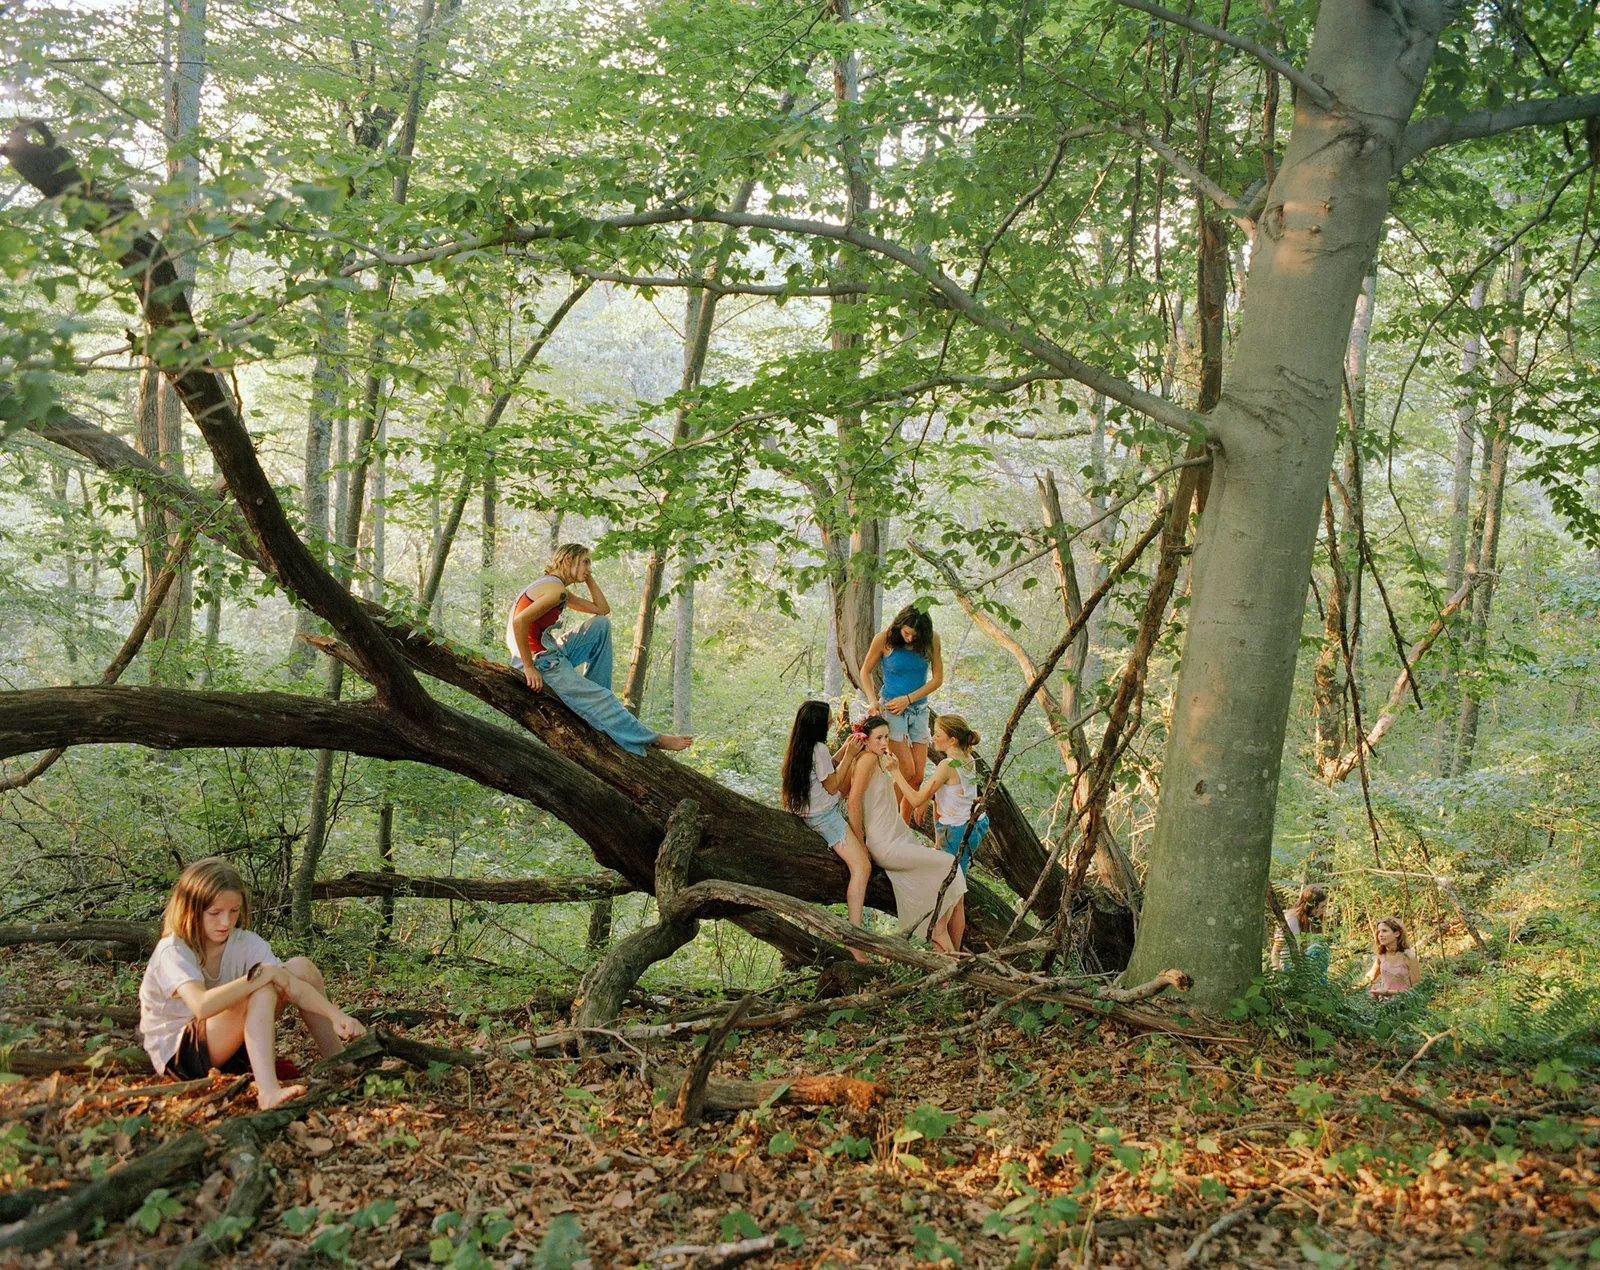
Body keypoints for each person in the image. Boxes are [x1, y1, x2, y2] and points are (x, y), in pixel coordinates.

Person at [139, 858, 365, 1110]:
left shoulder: (243, 941)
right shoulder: (173, 949)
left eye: (233, 911)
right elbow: (201, 1006)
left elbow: (290, 983)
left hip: (229, 1045)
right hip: (181, 1056)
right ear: (192, 909)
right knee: (261, 986)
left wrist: (337, 1016)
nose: (225, 922)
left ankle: (341, 1061)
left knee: (300, 968)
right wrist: (257, 977)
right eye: (215, 913)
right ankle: (268, 1092)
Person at [506, 543, 692, 755]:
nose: (589, 568)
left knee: (601, 625)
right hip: (540, 662)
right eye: (585, 562)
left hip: (549, 649)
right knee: (604, 698)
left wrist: (588, 578)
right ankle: (652, 739)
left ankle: (595, 698)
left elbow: (602, 610)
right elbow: (518, 623)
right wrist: (528, 667)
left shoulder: (555, 587)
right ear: (568, 560)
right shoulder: (555, 591)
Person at [846, 716, 965, 951]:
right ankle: (938, 932)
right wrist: (860, 844)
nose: (883, 743)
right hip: (884, 844)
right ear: (865, 740)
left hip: (898, 836)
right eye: (878, 738)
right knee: (949, 863)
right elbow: (853, 802)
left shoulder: (883, 761)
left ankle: (944, 941)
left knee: (949, 871)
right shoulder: (867, 761)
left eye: (886, 738)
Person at [883, 714, 987, 952]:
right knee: (956, 893)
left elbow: (918, 796)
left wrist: (895, 771)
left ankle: (951, 955)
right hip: (972, 825)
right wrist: (930, 806)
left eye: (937, 734)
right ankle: (953, 952)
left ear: (951, 740)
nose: (932, 737)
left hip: (958, 833)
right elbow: (949, 793)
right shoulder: (968, 759)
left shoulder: (947, 765)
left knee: (954, 897)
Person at [780, 701, 871, 962]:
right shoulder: (817, 748)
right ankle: (854, 940)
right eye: (830, 720)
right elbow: (832, 785)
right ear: (819, 724)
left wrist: (844, 750)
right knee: (862, 867)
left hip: (807, 812)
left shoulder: (801, 744)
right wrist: (852, 756)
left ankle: (855, 938)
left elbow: (824, 768)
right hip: (823, 817)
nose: (833, 722)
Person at [860, 606, 944, 823]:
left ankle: (902, 827)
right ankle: (884, 820)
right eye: (906, 632)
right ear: (899, 625)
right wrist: (872, 700)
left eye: (915, 636)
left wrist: (909, 699)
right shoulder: (885, 639)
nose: (909, 638)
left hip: (919, 710)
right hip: (892, 710)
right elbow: (865, 671)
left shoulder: (932, 639)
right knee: (906, 771)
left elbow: (937, 680)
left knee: (917, 777)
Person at [1270, 883, 1330, 976]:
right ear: (1311, 905)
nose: (1324, 910)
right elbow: (1276, 950)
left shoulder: (1314, 920)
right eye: (1322, 906)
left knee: (1323, 947)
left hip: (1307, 969)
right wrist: (1277, 974)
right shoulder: (1291, 920)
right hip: (1289, 967)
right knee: (1319, 949)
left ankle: (1319, 986)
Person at [1359, 916, 1421, 999]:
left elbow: (1417, 989)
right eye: (1379, 932)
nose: (1380, 935)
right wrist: (1356, 987)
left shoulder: (1409, 956)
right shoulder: (1381, 955)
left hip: (1405, 1005)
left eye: (1384, 931)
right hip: (1386, 1006)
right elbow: (1372, 975)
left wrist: (1387, 992)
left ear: (1397, 933)